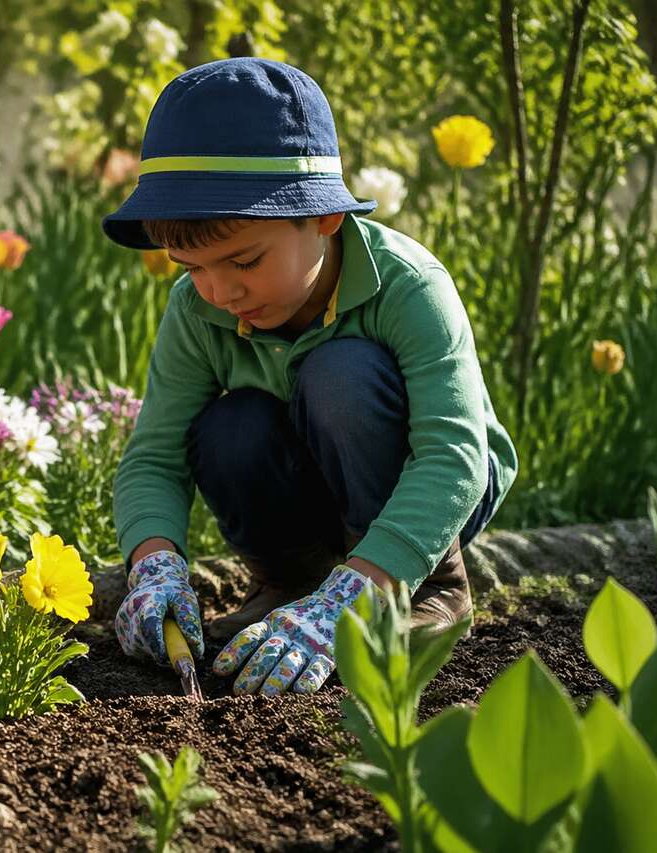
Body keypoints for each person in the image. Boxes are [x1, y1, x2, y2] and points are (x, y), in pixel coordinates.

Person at [106, 58, 517, 696]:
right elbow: (154, 457)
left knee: (341, 373)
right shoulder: (198, 308)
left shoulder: (410, 287)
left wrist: (352, 601)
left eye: (243, 260)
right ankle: (290, 584)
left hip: (429, 494)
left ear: (323, 217)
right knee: (229, 425)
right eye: (191, 266)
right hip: (305, 483)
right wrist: (153, 565)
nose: (219, 291)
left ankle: (429, 587)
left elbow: (455, 458)